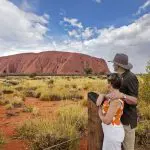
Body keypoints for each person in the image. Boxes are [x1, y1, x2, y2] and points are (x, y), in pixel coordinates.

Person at [97, 53, 139, 150]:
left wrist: (122, 96)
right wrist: (102, 95)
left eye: (114, 63)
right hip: (118, 121)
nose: (113, 65)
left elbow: (135, 100)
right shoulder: (119, 76)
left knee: (127, 148)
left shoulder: (131, 77)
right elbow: (114, 94)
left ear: (118, 65)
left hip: (127, 121)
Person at [98, 73, 125, 150]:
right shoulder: (112, 96)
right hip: (110, 133)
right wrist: (102, 95)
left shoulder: (115, 101)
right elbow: (98, 102)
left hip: (113, 134)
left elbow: (107, 121)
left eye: (107, 82)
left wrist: (99, 112)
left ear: (110, 84)